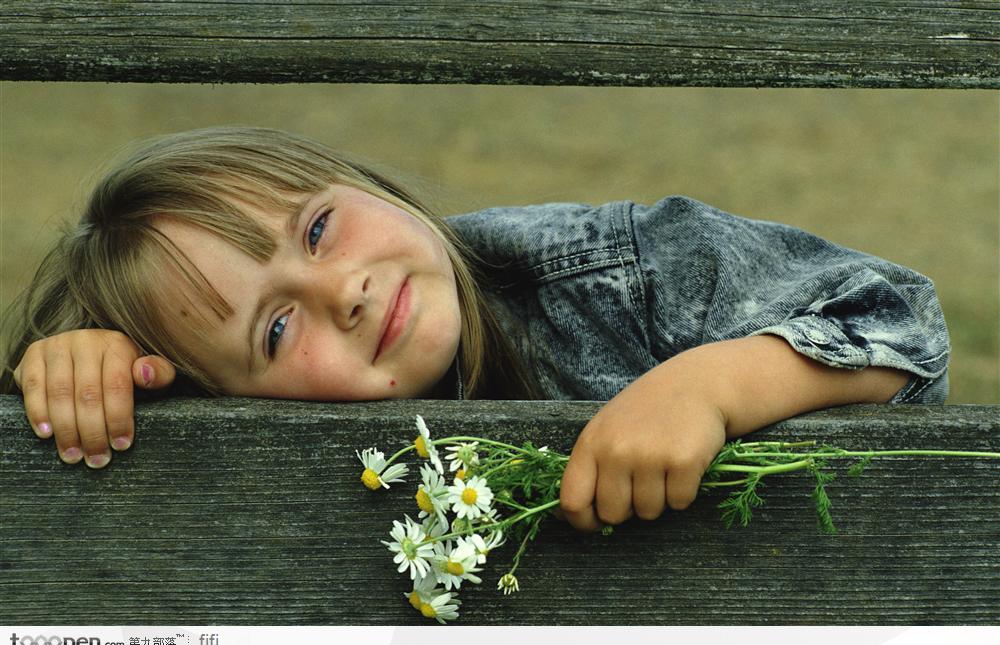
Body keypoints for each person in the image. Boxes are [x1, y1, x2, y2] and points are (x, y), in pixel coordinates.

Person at [0, 126, 950, 532]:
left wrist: (711, 387)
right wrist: (86, 370)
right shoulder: (248, 443)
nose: (347, 294)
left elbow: (900, 322)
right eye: (278, 328)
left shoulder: (621, 268)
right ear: (230, 397)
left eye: (319, 228)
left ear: (357, 178)